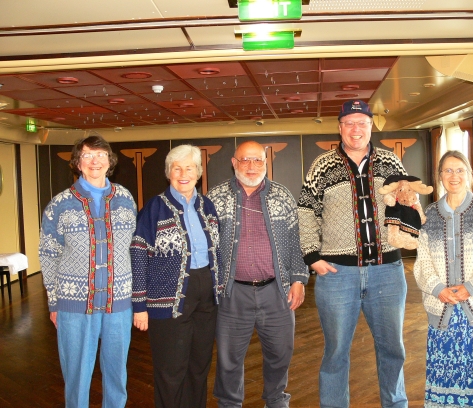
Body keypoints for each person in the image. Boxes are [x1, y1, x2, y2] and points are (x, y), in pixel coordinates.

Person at [298, 100, 409, 408]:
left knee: (393, 349)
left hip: (387, 272)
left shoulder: (391, 162)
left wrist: (407, 223)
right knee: (335, 352)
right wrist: (312, 257)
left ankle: (396, 403)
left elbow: (409, 205)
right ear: (340, 128)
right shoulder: (321, 166)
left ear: (371, 126)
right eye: (349, 123)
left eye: (362, 122)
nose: (355, 129)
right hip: (337, 275)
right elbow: (306, 212)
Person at [207, 140, 308, 408]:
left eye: (257, 160)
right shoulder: (215, 198)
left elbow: (297, 241)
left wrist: (298, 279)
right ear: (234, 163)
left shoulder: (282, 196)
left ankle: (276, 400)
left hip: (277, 291)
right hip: (231, 294)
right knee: (229, 359)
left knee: (280, 354)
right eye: (245, 160)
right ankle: (229, 404)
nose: (251, 166)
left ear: (266, 162)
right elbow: (206, 246)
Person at [38, 135, 137, 408]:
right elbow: (48, 255)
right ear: (78, 163)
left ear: (110, 161)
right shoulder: (60, 204)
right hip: (75, 304)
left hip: (119, 302)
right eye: (87, 155)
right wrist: (54, 302)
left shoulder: (125, 198)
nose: (95, 161)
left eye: (101, 155)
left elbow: (133, 247)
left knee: (117, 373)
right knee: (77, 375)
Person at [130, 144, 220, 408]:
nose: (183, 174)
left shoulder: (207, 206)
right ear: (168, 172)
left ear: (198, 173)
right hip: (167, 298)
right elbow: (138, 254)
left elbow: (218, 252)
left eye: (189, 168)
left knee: (199, 366)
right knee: (171, 370)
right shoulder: (154, 208)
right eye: (177, 168)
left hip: (206, 296)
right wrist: (139, 306)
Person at [414, 150, 473, 407]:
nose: (454, 176)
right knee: (444, 375)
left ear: (469, 174)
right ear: (440, 175)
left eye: (460, 170)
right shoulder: (429, 214)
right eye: (448, 170)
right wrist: (438, 289)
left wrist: (471, 288)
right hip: (443, 309)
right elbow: (423, 262)